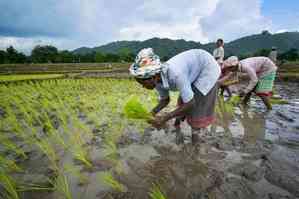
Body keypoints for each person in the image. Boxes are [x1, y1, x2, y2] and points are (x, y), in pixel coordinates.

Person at [129, 48, 221, 144]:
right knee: (183, 100)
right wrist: (152, 113)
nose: (143, 87)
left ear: (153, 77)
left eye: (143, 83)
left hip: (206, 68)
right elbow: (165, 100)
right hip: (193, 69)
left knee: (195, 108)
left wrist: (165, 118)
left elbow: (190, 103)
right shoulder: (157, 79)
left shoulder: (175, 74)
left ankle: (195, 145)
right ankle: (177, 125)